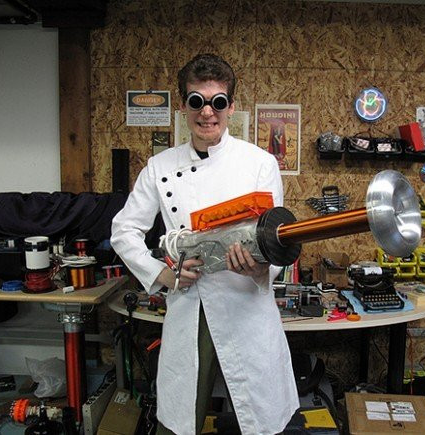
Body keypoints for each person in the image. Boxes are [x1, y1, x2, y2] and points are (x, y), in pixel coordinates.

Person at [111, 53, 299, 435]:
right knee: (180, 425)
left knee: (261, 422)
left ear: (231, 106)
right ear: (184, 106)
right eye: (197, 101)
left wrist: (261, 268)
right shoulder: (160, 166)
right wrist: (163, 275)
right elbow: (123, 230)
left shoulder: (259, 163)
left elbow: (276, 242)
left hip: (246, 306)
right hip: (190, 307)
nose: (207, 112)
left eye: (218, 102)